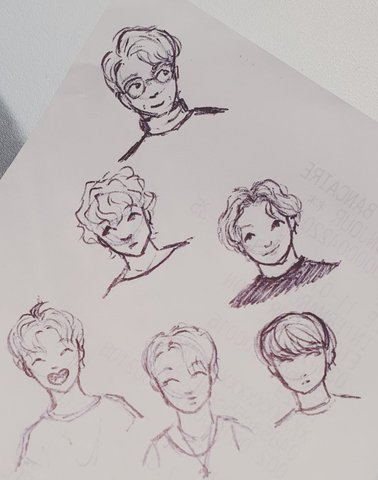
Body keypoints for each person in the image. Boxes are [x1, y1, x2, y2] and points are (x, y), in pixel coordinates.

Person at [7, 302, 142, 470]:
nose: (54, 365)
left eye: (64, 352)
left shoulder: (116, 409)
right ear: (27, 369)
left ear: (80, 352)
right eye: (39, 360)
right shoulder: (37, 437)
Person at [101, 26, 227, 162]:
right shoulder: (132, 160)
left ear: (175, 72)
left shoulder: (218, 119)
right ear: (125, 100)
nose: (153, 91)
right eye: (136, 86)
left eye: (162, 73)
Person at [142, 324, 251, 478]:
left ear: (212, 371)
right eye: (171, 380)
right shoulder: (158, 451)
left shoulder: (237, 433)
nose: (187, 387)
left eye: (196, 372)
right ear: (157, 387)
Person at [218, 179, 339, 306]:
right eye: (250, 236)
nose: (267, 242)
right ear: (241, 247)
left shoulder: (326, 273)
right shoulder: (243, 301)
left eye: (275, 224)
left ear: (290, 221)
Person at [76, 166, 190, 298]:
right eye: (107, 230)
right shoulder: (114, 294)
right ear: (102, 241)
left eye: (132, 216)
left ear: (146, 214)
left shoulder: (186, 252)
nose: (125, 234)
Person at [256, 311, 359, 427]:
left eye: (312, 353)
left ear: (328, 354)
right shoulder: (282, 427)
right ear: (273, 369)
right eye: (287, 360)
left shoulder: (358, 407)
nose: (302, 370)